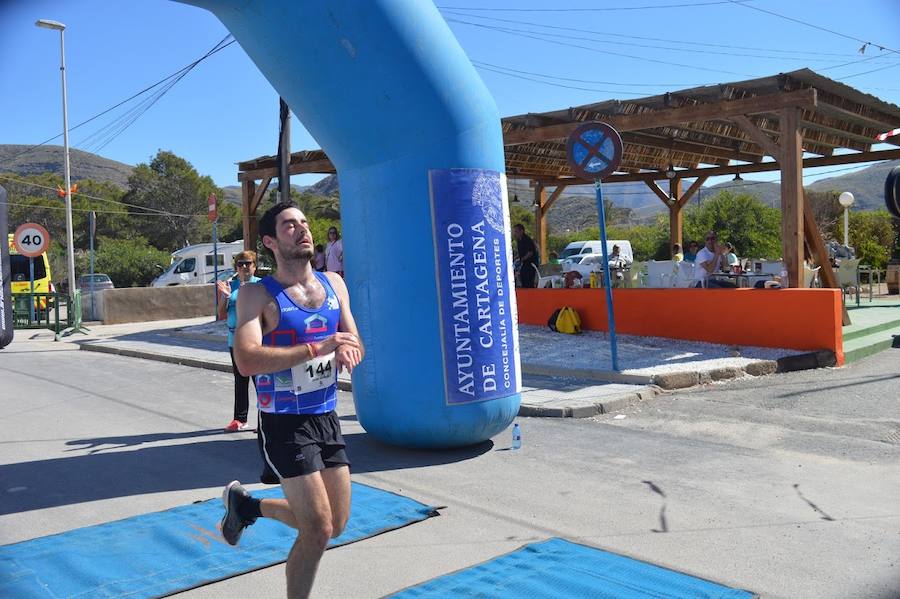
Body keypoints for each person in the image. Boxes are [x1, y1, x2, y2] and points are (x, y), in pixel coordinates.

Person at [222, 202, 364, 599]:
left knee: (335, 523)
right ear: (269, 241)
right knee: (317, 530)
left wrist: (348, 352)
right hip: (283, 422)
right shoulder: (256, 295)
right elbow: (246, 359)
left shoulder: (335, 284)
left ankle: (248, 508)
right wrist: (317, 347)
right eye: (289, 226)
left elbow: (354, 341)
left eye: (304, 222)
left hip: (326, 416)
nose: (302, 229)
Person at [216, 251, 262, 432]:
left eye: (248, 263)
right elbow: (221, 314)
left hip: (256, 341)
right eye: (240, 264)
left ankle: (265, 418)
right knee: (240, 380)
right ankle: (240, 419)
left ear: (254, 266)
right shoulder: (231, 286)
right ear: (236, 268)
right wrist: (226, 296)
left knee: (261, 381)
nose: (244, 267)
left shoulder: (260, 286)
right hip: (234, 340)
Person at [512, 223, 539, 288]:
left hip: (530, 264)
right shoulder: (519, 240)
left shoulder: (527, 240)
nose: (515, 233)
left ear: (521, 231)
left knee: (528, 281)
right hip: (524, 264)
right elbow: (520, 252)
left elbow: (530, 253)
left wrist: (522, 259)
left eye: (516, 231)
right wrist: (515, 258)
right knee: (523, 279)